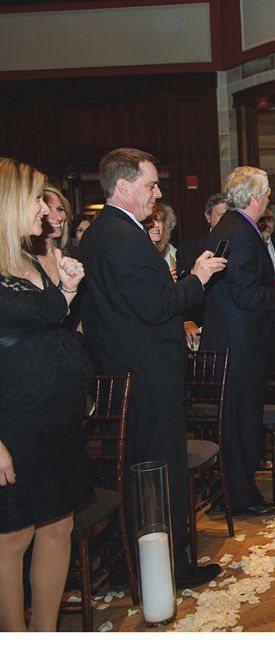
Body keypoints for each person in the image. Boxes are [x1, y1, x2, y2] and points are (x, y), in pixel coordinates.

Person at [80, 147, 227, 589]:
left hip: (120, 375)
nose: (158, 193)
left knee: (137, 470)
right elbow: (155, 306)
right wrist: (197, 278)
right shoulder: (126, 238)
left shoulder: (96, 235)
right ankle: (168, 567)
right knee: (159, 472)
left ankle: (138, 564)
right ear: (123, 188)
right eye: (150, 185)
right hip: (148, 378)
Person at [0, 158, 89, 631]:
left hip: (56, 420)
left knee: (58, 526)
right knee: (12, 539)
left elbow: (45, 319)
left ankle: (45, 640)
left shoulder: (32, 258)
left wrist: (68, 290)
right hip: (11, 424)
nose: (46, 208)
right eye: (37, 198)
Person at [202, 167, 275, 517]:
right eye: (266, 193)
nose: (268, 198)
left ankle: (233, 490)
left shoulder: (232, 227)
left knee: (237, 423)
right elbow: (246, 296)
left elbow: (236, 287)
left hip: (234, 346)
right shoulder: (242, 234)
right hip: (241, 350)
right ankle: (242, 497)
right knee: (242, 423)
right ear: (253, 197)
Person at [179, 193, 228, 348]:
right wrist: (186, 320)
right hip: (201, 329)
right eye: (221, 215)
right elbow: (183, 287)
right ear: (208, 217)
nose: (226, 221)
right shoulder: (190, 248)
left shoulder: (242, 246)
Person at [31, 183, 73, 285]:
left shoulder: (73, 256)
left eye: (60, 209)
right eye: (48, 210)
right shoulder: (21, 260)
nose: (59, 217)